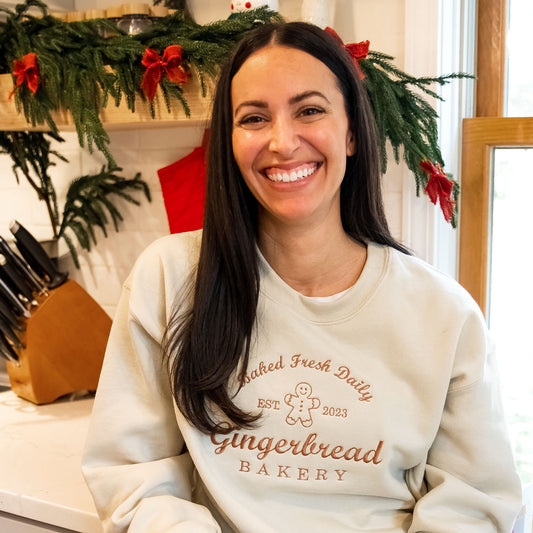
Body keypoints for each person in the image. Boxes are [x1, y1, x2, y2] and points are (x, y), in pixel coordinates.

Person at [82, 21, 522, 533]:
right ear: (229, 141)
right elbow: (131, 473)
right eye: (253, 118)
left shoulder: (444, 315)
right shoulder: (170, 277)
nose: (282, 142)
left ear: (352, 132)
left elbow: (475, 505)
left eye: (309, 110)